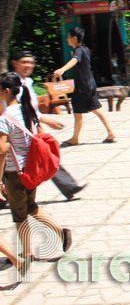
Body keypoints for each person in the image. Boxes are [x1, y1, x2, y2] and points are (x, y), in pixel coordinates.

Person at [0, 72, 72, 262]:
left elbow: (1, 149)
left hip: (14, 171)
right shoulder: (27, 110)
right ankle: (59, 232)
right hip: (31, 169)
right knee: (30, 206)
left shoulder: (5, 117)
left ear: (6, 90)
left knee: (19, 213)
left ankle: (27, 252)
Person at [10, 51, 87, 200]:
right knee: (14, 162)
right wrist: (46, 121)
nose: (28, 66)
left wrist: (39, 126)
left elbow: (31, 108)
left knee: (45, 155)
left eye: (31, 62)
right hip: (15, 129)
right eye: (24, 62)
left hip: (29, 126)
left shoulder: (27, 82)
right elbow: (20, 108)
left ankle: (69, 186)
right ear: (15, 63)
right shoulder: (13, 83)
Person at [53, 27, 116, 146]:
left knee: (80, 111)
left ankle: (75, 138)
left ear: (75, 38)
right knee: (94, 109)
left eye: (69, 37)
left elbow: (74, 61)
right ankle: (110, 132)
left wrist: (62, 69)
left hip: (83, 86)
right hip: (88, 84)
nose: (67, 39)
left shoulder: (79, 50)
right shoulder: (85, 49)